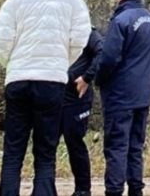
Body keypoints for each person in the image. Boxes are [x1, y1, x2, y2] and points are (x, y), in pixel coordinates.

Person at [0, 0, 91, 196]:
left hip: (18, 79)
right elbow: (80, 38)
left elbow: (2, 38)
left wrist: (12, 64)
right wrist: (61, 63)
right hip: (52, 82)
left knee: (13, 150)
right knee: (46, 151)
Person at [76, 0, 150, 196]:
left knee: (116, 146)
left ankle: (114, 191)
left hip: (120, 95)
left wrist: (99, 80)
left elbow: (109, 58)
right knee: (135, 147)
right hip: (143, 93)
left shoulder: (121, 20)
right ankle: (136, 190)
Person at [60, 26, 104, 196]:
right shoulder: (56, 26)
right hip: (54, 97)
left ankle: (83, 190)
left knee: (74, 142)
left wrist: (87, 77)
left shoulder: (88, 32)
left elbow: (102, 52)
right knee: (46, 145)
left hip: (78, 99)